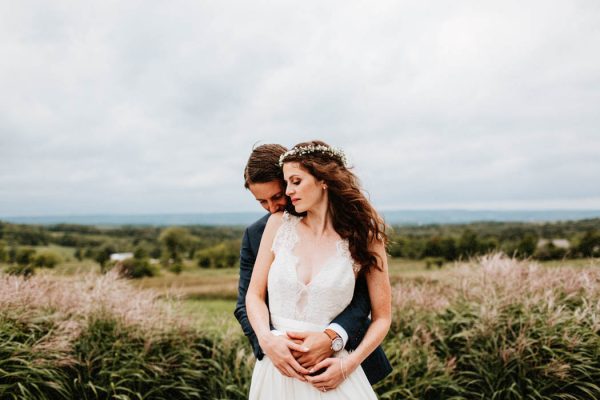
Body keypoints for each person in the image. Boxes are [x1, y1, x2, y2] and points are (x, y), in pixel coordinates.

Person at [244, 141, 392, 398]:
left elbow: (381, 315)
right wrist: (267, 340)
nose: (288, 193)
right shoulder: (277, 225)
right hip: (277, 371)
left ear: (323, 180)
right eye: (286, 184)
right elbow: (251, 296)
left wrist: (348, 364)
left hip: (332, 372)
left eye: (295, 182)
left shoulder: (365, 236)